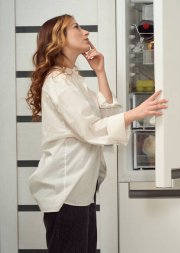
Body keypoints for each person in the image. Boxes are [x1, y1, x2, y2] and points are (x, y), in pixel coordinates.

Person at [26, 14, 167, 253]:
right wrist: (136, 113)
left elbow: (105, 115)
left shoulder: (72, 78)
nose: (86, 33)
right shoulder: (58, 81)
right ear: (60, 39)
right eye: (76, 27)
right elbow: (91, 129)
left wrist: (100, 72)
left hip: (81, 189)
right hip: (65, 191)